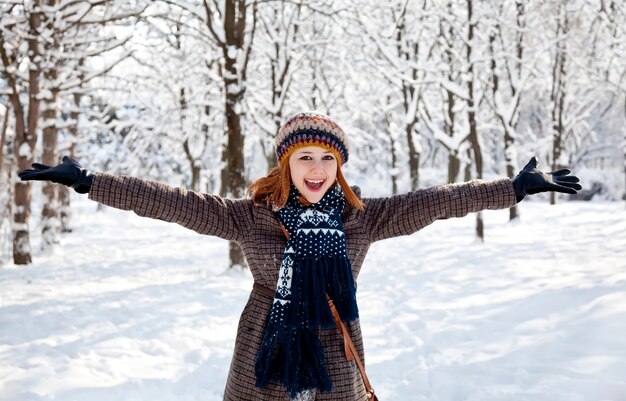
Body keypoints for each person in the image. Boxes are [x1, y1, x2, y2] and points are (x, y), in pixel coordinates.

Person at [18, 112, 581, 401]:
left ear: (339, 166)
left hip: (337, 355)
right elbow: (169, 202)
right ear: (285, 163)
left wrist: (512, 188)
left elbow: (439, 201)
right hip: (264, 355)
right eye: (304, 156)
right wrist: (91, 182)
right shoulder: (246, 215)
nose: (316, 169)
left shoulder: (365, 217)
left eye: (326, 159)